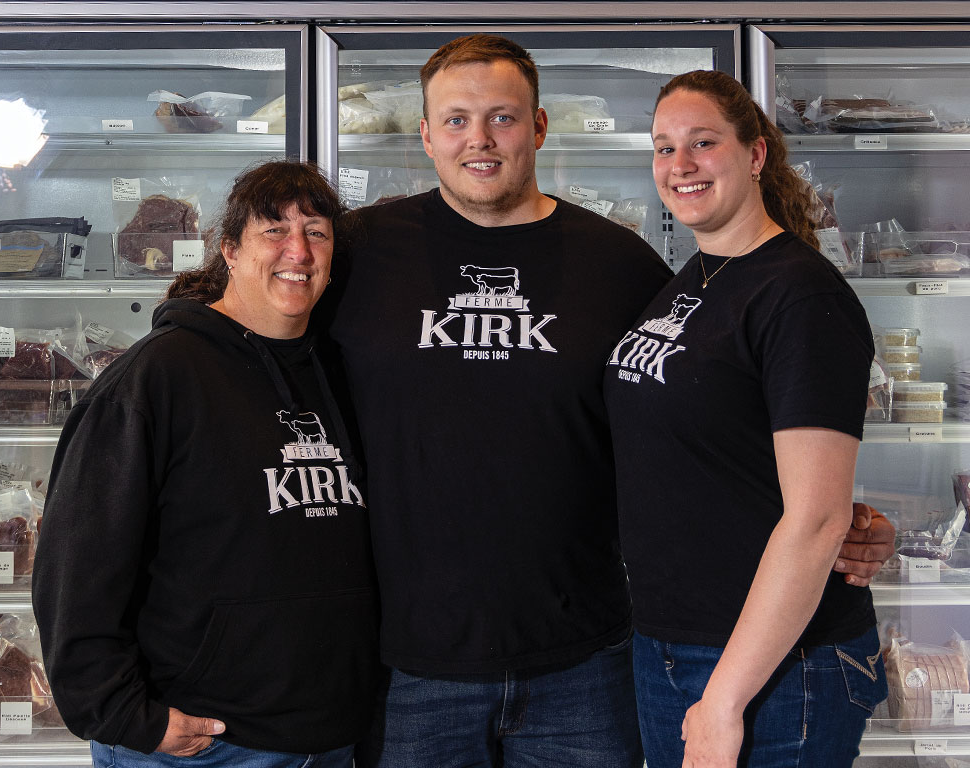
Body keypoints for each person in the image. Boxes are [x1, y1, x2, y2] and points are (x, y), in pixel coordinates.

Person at [323, 35, 893, 768]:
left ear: (539, 127)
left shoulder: (625, 265)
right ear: (427, 134)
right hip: (415, 660)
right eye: (457, 120)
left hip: (587, 660)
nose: (480, 139)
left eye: (502, 117)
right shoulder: (359, 251)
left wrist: (837, 520)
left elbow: (719, 425)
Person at [31, 160, 379, 768]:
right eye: (273, 231)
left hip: (329, 738)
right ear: (230, 252)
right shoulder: (157, 378)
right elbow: (76, 564)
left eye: (316, 233)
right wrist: (122, 714)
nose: (297, 250)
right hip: (205, 745)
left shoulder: (338, 376)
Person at [604, 69, 889, 768]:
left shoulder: (797, 294)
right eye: (664, 148)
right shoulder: (692, 280)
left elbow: (817, 519)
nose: (681, 166)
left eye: (703, 143)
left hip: (772, 666)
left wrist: (725, 700)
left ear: (756, 154)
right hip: (673, 640)